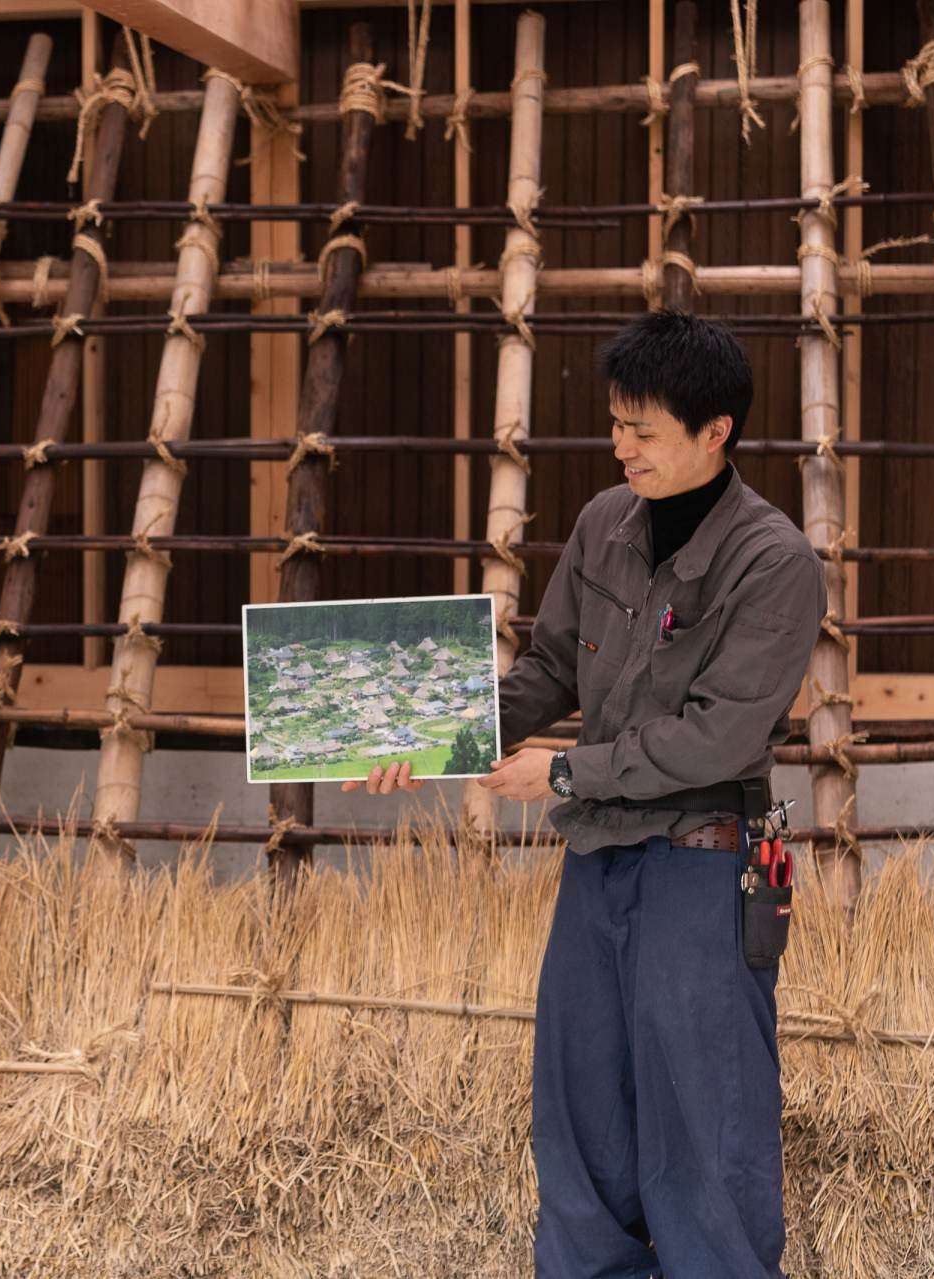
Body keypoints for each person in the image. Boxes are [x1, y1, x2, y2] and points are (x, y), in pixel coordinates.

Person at [345, 310, 824, 1278]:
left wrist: (563, 771)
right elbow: (548, 670)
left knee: (704, 1108)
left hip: (704, 861)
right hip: (598, 856)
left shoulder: (775, 563)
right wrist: (430, 736)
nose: (621, 447)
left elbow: (721, 734)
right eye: (616, 423)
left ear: (715, 430)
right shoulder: (606, 524)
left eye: (642, 430)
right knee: (579, 1102)